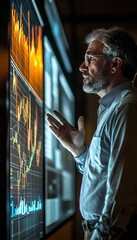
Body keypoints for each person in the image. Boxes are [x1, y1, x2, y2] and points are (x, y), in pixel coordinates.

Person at [46, 27, 137, 240]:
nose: (81, 67)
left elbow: (120, 195)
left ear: (115, 64)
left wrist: (101, 235)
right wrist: (79, 151)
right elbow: (103, 176)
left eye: (90, 59)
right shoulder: (110, 108)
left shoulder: (127, 108)